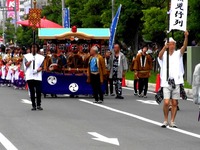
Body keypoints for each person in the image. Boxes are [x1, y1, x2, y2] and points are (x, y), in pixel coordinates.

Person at [158, 31, 189, 128]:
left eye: (173, 44)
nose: (172, 46)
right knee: (166, 102)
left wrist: (186, 37)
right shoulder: (164, 55)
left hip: (176, 81)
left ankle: (172, 121)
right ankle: (165, 120)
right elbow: (159, 56)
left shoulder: (177, 54)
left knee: (175, 102)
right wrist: (164, 48)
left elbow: (184, 47)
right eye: (170, 44)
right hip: (166, 81)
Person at [24, 44, 45, 111]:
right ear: (30, 49)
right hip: (30, 75)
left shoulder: (41, 57)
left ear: (37, 49)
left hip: (37, 76)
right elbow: (26, 65)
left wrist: (36, 71)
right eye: (32, 47)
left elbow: (42, 66)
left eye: (35, 47)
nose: (34, 49)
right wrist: (30, 60)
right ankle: (33, 105)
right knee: (32, 91)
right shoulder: (27, 56)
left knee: (38, 91)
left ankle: (38, 104)